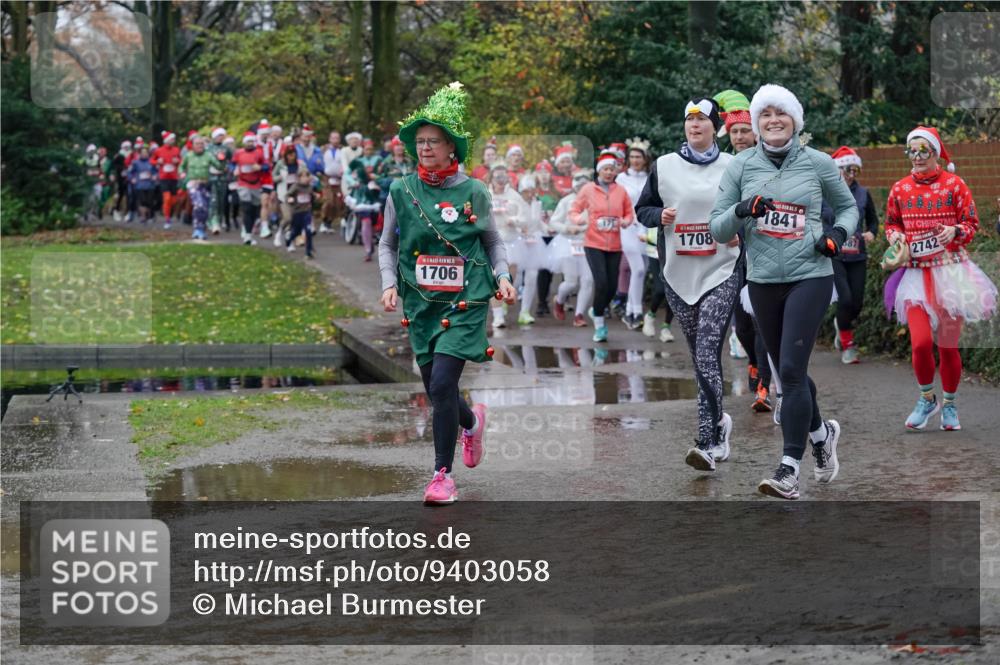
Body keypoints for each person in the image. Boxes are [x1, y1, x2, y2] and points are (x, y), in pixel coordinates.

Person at [710, 84, 858, 500]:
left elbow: (847, 208)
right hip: (761, 280)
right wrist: (743, 210)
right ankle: (821, 432)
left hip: (810, 274)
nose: (774, 121)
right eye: (766, 115)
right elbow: (717, 227)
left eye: (782, 114)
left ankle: (789, 468)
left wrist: (836, 235)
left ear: (795, 120)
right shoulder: (740, 167)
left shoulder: (818, 163)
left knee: (789, 372)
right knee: (788, 371)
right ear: (756, 124)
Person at [378, 82, 515, 505]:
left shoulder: (473, 191)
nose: (424, 149)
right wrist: (387, 282)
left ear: (452, 147)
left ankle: (441, 475)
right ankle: (471, 423)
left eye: (433, 142)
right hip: (420, 304)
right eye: (419, 142)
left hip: (467, 299)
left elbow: (492, 241)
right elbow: (387, 243)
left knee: (440, 385)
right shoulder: (400, 191)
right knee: (440, 392)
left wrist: (504, 276)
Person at [635, 97, 738, 472]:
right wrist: (658, 215)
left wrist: (739, 230)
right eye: (689, 120)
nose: (694, 125)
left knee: (709, 351)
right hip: (678, 273)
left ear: (715, 127)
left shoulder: (733, 166)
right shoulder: (664, 166)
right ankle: (719, 422)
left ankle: (707, 439)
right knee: (700, 356)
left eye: (701, 120)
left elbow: (748, 209)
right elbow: (642, 210)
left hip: (722, 269)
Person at [884, 126, 996, 431]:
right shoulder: (900, 188)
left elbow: (972, 224)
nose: (917, 157)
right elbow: (891, 224)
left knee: (947, 346)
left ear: (936, 153)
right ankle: (926, 398)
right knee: (920, 344)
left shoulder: (955, 185)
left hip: (952, 274)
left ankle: (949, 404)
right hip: (916, 276)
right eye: (912, 150)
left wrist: (955, 232)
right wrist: (898, 240)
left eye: (924, 150)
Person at [715, 88, 774, 413]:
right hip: (732, 255)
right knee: (742, 324)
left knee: (762, 319)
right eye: (735, 131)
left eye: (744, 131)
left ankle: (765, 383)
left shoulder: (767, 161)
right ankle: (753, 362)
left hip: (765, 249)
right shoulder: (723, 164)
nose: (739, 136)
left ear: (755, 132)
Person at [570, 152, 634, 343]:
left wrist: (625, 221)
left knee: (613, 288)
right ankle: (599, 325)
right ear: (599, 170)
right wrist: (579, 219)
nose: (608, 172)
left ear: (615, 172)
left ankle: (595, 309)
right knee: (602, 283)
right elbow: (574, 210)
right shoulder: (588, 189)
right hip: (593, 243)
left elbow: (629, 213)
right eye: (605, 169)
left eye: (612, 169)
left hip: (614, 245)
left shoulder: (621, 191)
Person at [828, 145, 879, 364]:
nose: (850, 174)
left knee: (856, 302)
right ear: (838, 170)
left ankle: (842, 326)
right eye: (846, 170)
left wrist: (871, 233)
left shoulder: (863, 193)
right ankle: (848, 345)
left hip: (857, 254)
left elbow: (873, 220)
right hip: (835, 255)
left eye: (854, 170)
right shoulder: (824, 192)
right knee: (845, 298)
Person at [549, 168, 594, 327]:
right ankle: (559, 300)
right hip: (568, 244)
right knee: (571, 282)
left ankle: (579, 314)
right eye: (578, 186)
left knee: (588, 280)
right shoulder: (566, 201)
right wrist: (568, 229)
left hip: (588, 243)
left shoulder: (595, 201)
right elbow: (554, 222)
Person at [616, 137, 652, 330]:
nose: (636, 160)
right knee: (637, 269)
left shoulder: (650, 177)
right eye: (632, 157)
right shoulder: (621, 179)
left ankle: (630, 311)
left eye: (639, 156)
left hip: (646, 227)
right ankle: (636, 311)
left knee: (642, 270)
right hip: (627, 227)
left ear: (645, 159)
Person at [486, 161, 528, 329]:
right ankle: (497, 317)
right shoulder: (485, 193)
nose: (501, 179)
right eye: (497, 176)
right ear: (492, 176)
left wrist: (514, 220)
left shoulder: (514, 196)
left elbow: (525, 218)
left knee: (510, 278)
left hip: (511, 242)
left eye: (504, 175)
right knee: (495, 278)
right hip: (491, 242)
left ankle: (504, 300)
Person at [179, 135, 222, 241]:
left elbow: (219, 166)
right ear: (193, 146)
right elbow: (181, 167)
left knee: (205, 208)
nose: (200, 146)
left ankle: (201, 228)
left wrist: (221, 159)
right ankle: (197, 228)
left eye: (202, 144)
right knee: (199, 205)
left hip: (205, 184)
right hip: (192, 183)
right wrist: (182, 174)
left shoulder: (208, 155)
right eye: (197, 144)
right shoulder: (188, 156)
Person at [348, 138, 383, 261]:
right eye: (367, 148)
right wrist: (353, 182)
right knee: (366, 220)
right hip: (362, 194)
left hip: (376, 192)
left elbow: (384, 173)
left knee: (377, 220)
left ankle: (375, 240)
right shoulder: (357, 161)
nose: (369, 151)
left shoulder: (379, 160)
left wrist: (377, 178)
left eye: (371, 149)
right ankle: (368, 250)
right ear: (363, 149)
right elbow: (348, 174)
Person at [232, 131, 267, 246]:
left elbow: (267, 166)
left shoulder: (259, 153)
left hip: (256, 184)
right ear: (244, 143)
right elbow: (232, 164)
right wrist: (235, 169)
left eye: (252, 141)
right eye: (248, 142)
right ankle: (247, 236)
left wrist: (260, 167)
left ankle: (248, 228)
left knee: (254, 209)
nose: (250, 144)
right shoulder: (239, 153)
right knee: (246, 208)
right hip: (243, 183)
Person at [284, 167, 316, 259]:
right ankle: (289, 239)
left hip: (307, 212)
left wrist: (315, 197)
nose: (306, 179)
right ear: (299, 178)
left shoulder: (310, 187)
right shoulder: (295, 187)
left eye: (308, 176)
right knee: (296, 231)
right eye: (304, 177)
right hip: (297, 212)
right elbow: (287, 195)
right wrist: (290, 199)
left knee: (308, 231)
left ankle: (308, 251)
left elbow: (311, 197)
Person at [152, 131, 181, 228]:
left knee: (174, 200)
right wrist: (158, 161)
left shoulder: (176, 150)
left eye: (173, 139)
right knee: (167, 198)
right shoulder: (159, 150)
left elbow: (182, 160)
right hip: (163, 177)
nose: (173, 141)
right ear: (167, 140)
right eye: (172, 139)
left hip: (174, 177)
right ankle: (167, 219)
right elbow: (152, 160)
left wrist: (177, 161)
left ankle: (168, 211)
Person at [321, 131, 345, 233]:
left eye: (337, 138)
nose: (335, 140)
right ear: (329, 139)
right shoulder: (323, 149)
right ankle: (324, 220)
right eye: (333, 138)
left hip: (339, 179)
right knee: (329, 201)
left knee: (337, 203)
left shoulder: (343, 150)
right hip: (327, 179)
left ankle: (329, 222)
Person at [127, 146, 158, 223]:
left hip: (150, 185)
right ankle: (143, 216)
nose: (144, 154)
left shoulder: (152, 162)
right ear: (139, 154)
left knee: (149, 201)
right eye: (143, 153)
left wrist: (155, 176)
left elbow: (157, 172)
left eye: (146, 153)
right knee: (142, 201)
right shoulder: (135, 162)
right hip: (139, 185)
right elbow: (129, 172)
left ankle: (149, 215)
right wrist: (132, 179)